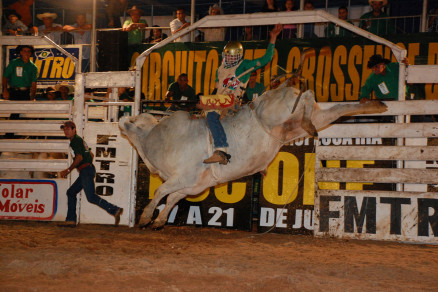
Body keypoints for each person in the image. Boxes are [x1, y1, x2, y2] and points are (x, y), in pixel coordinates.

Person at [202, 24, 283, 165]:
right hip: (220, 99)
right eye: (228, 56)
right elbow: (216, 90)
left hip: (232, 100)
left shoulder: (244, 65)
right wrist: (208, 101)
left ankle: (221, 150)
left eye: (233, 57)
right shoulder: (220, 69)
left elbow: (266, 59)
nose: (230, 59)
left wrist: (273, 39)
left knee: (210, 114)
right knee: (201, 106)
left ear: (239, 57)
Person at [59, 121, 123, 227]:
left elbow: (79, 157)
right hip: (87, 170)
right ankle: (70, 220)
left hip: (85, 171)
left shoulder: (75, 141)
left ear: (74, 129)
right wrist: (86, 166)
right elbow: (91, 155)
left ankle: (114, 209)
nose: (66, 131)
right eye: (64, 129)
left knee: (90, 197)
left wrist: (69, 170)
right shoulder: (79, 140)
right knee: (71, 192)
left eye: (68, 129)